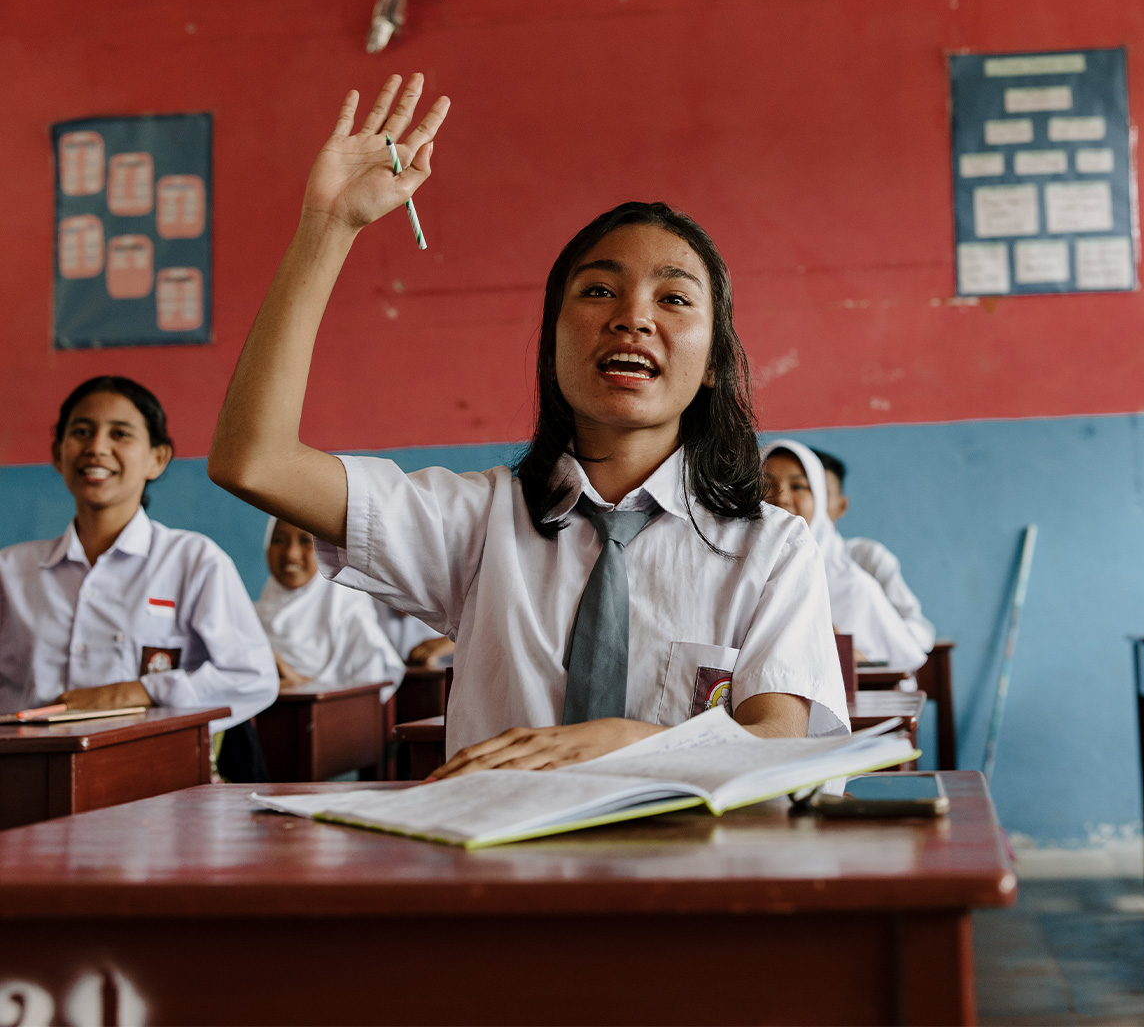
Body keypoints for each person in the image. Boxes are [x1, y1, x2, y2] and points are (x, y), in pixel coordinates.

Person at [207, 73, 846, 778]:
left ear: (714, 364)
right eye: (598, 290)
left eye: (673, 298)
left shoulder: (771, 547)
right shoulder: (478, 523)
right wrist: (327, 229)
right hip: (498, 878)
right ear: (552, 344)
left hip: (686, 876)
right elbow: (254, 460)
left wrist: (628, 742)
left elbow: (781, 744)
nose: (632, 316)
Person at [0, 376, 278, 736]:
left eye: (120, 434)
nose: (97, 447)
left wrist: (137, 692)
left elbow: (253, 678)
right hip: (30, 776)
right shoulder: (11, 569)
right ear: (58, 454)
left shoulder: (194, 561)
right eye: (81, 431)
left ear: (157, 458)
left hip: (154, 777)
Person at [761, 439, 931, 672]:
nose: (780, 497)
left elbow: (903, 657)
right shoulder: (743, 572)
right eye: (765, 485)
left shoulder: (855, 586)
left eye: (799, 486)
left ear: (820, 500)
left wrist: (851, 657)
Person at [257, 518, 404, 700]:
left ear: (324, 549)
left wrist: (300, 684)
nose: (291, 554)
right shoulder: (253, 616)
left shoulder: (348, 612)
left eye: (305, 540)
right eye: (278, 540)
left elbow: (371, 695)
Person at [810, 447, 937, 654]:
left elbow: (919, 633)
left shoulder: (866, 559)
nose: (788, 500)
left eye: (819, 492)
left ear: (842, 506)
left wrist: (870, 646)